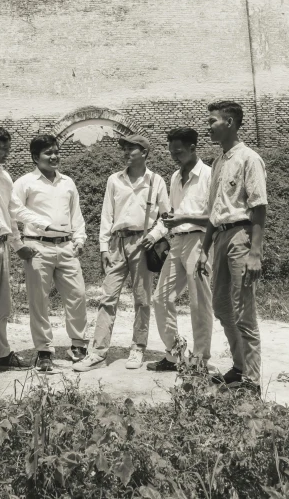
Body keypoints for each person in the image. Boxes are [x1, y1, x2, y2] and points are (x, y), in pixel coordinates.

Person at [0, 126, 68, 390]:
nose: (7, 154)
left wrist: (39, 228)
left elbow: (13, 212)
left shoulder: (4, 175)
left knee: (2, 306)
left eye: (9, 149)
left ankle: (2, 356)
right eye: (3, 149)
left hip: (1, 246)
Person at [74, 134, 169, 373]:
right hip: (117, 242)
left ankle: (138, 347)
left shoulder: (156, 181)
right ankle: (98, 352)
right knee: (107, 298)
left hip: (143, 243)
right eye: (124, 149)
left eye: (131, 149)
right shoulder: (114, 180)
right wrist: (104, 247)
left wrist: (154, 236)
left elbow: (166, 218)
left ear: (144, 152)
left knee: (142, 299)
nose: (126, 152)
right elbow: (107, 215)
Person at [196, 101, 267, 396]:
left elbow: (259, 208)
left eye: (212, 120)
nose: (208, 126)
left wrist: (255, 253)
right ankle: (238, 368)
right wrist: (204, 248)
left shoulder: (249, 158)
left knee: (243, 311)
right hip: (221, 238)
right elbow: (215, 210)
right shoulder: (218, 162)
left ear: (230, 122)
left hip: (241, 236)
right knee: (223, 308)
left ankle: (251, 379)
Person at [13, 135, 89, 372]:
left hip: (66, 247)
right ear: (36, 157)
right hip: (38, 247)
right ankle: (44, 350)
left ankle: (78, 344)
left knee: (77, 295)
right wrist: (19, 244)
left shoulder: (67, 182)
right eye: (48, 153)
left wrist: (80, 238)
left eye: (57, 152)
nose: (54, 156)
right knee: (39, 300)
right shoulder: (25, 183)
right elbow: (13, 212)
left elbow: (76, 213)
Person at [146, 127, 214, 373]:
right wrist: (155, 234)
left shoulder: (209, 175)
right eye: (171, 151)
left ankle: (200, 360)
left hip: (201, 241)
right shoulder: (175, 177)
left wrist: (184, 217)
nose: (174, 156)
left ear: (193, 148)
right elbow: (172, 215)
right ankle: (175, 355)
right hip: (177, 241)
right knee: (161, 298)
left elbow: (215, 217)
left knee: (199, 303)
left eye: (179, 151)